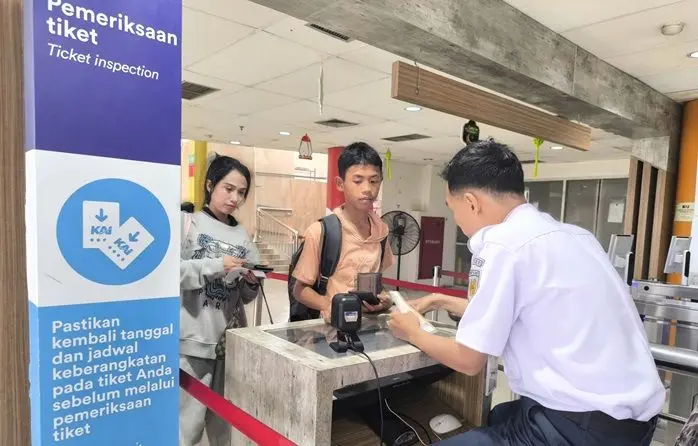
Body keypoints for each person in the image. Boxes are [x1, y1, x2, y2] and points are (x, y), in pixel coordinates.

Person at [389, 139, 664, 445]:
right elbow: (527, 308)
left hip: (580, 426)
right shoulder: (576, 236)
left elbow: (468, 360)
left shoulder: (502, 244)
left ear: (471, 202)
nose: (458, 220)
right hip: (633, 422)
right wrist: (439, 299)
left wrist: (412, 331)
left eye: (453, 209)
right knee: (499, 415)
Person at [179, 155, 260, 446]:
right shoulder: (188, 223)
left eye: (241, 192)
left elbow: (246, 297)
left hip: (229, 344)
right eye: (229, 188)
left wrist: (251, 282)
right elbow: (171, 274)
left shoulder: (242, 235)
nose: (235, 198)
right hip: (192, 341)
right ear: (210, 185)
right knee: (186, 427)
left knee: (225, 427)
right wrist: (216, 265)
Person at [293, 142, 395, 321]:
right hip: (330, 329)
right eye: (358, 181)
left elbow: (378, 283)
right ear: (340, 184)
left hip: (367, 327)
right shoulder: (321, 231)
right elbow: (300, 290)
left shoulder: (382, 231)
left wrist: (384, 300)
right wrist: (328, 306)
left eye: (373, 181)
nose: (367, 189)